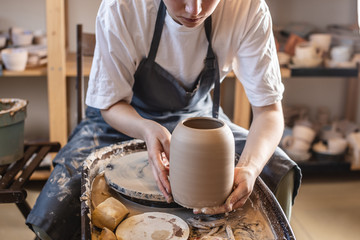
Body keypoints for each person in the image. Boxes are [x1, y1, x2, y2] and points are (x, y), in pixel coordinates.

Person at [26, 0, 301, 239]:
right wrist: (146, 129)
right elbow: (110, 105)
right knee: (59, 201)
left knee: (277, 170)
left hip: (197, 118)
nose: (195, 9)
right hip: (123, 118)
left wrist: (250, 168)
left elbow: (269, 112)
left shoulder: (248, 7)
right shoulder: (122, 6)